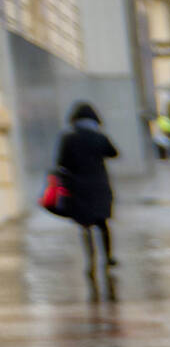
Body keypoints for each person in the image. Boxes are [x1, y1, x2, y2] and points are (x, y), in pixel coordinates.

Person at [54, 103, 118, 276]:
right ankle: (108, 256)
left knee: (85, 226)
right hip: (99, 185)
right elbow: (114, 153)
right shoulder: (99, 136)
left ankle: (91, 260)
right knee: (103, 223)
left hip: (78, 187)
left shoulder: (68, 138)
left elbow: (61, 162)